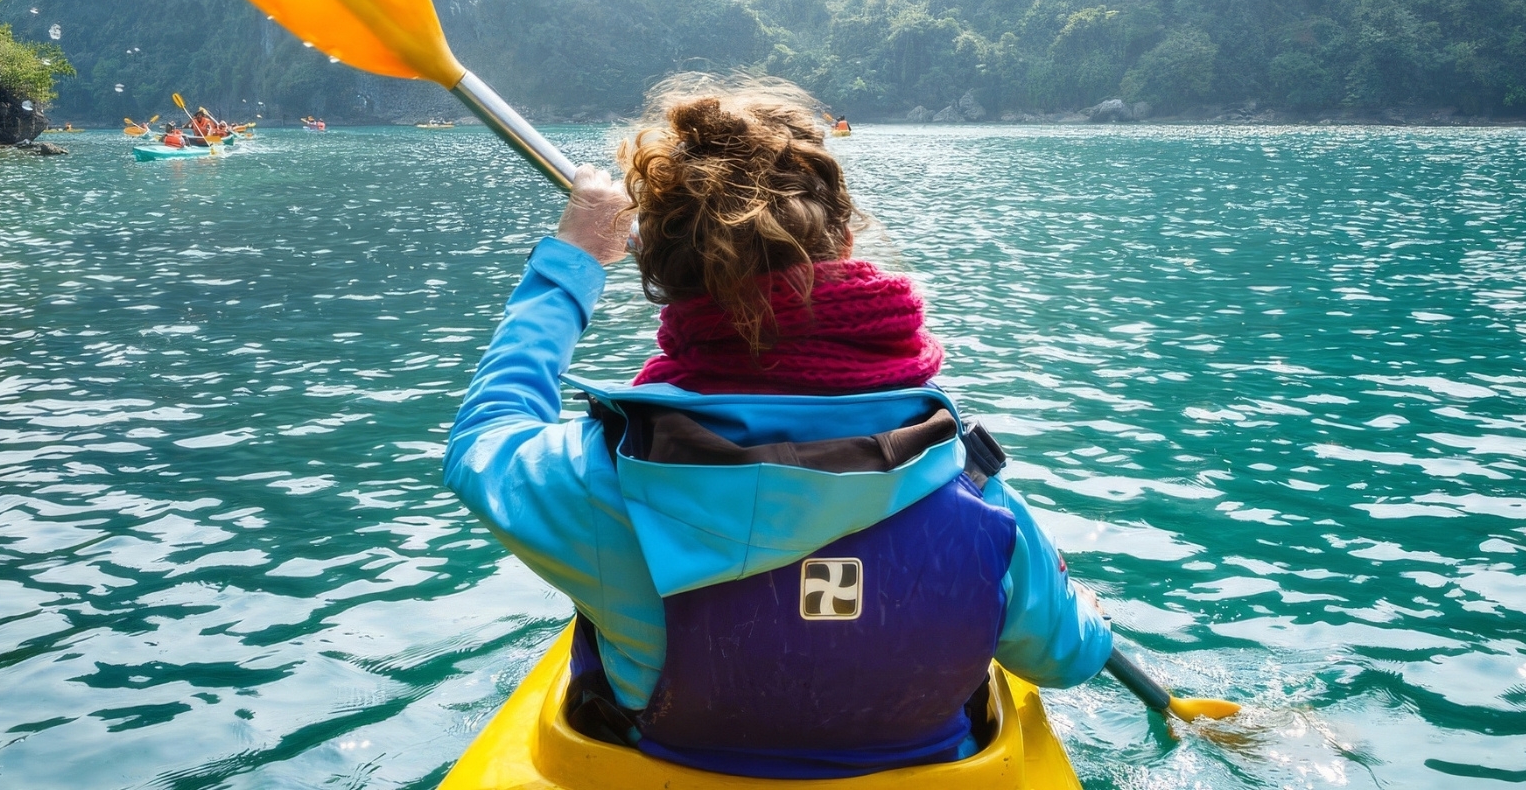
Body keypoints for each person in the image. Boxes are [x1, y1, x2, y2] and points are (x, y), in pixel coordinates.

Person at [445, 75, 1111, 778]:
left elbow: (484, 437)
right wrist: (1084, 608)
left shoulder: (600, 480)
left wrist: (573, 261)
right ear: (847, 241)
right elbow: (1067, 657)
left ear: (664, 280)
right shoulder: (969, 486)